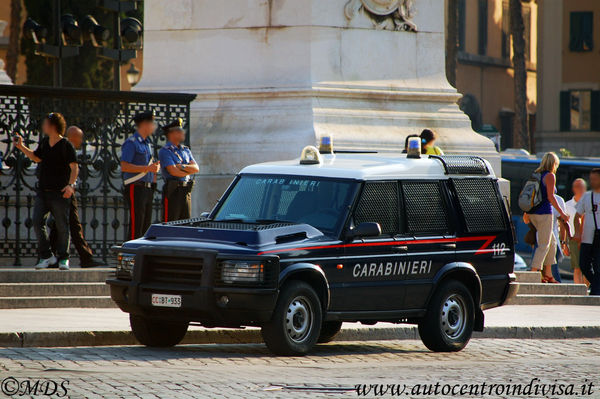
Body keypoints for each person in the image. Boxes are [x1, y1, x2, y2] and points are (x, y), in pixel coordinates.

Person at [14, 113, 78, 270]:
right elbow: (36, 158)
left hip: (59, 193)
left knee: (62, 226)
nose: (43, 126)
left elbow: (74, 167)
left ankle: (63, 258)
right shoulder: (44, 143)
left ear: (54, 125)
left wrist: (71, 185)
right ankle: (47, 256)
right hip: (43, 192)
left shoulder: (65, 145)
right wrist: (21, 147)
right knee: (37, 222)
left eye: (46, 123)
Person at [48, 126, 103, 268]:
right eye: (79, 137)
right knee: (73, 225)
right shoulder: (64, 149)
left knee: (58, 225)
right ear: (73, 137)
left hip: (63, 192)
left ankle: (51, 256)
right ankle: (85, 257)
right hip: (65, 192)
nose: (81, 140)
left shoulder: (63, 149)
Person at [528, 152, 569, 283]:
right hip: (544, 213)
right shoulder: (550, 176)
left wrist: (526, 212)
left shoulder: (536, 174)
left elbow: (531, 196)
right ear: (554, 163)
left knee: (552, 244)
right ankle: (534, 273)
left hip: (533, 213)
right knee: (544, 245)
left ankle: (549, 275)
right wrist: (562, 213)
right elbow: (551, 197)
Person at [120, 111, 160, 240]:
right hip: (136, 187)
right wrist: (147, 168)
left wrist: (153, 172)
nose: (154, 126)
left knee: (145, 225)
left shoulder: (147, 143)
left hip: (147, 188)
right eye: (151, 123)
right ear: (144, 124)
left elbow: (150, 167)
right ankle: (130, 255)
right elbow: (124, 166)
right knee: (136, 225)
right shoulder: (132, 143)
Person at [158, 118, 199, 222]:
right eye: (179, 131)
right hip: (173, 191)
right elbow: (173, 171)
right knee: (171, 223)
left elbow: (196, 168)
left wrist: (182, 167)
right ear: (171, 134)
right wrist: (187, 170)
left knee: (185, 223)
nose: (182, 133)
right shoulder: (165, 151)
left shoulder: (185, 150)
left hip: (186, 190)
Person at [574, 168, 600, 295]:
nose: (592, 181)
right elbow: (577, 216)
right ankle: (596, 287)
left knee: (598, 267)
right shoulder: (587, 196)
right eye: (591, 179)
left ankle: (595, 292)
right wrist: (578, 233)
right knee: (583, 265)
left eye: (595, 179)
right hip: (587, 238)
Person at [566, 178, 589, 285]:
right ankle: (579, 291)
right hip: (574, 240)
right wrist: (564, 243)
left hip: (590, 239)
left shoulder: (591, 202)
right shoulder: (567, 205)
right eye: (577, 187)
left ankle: (586, 289)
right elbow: (563, 226)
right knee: (577, 268)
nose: (579, 189)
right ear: (573, 189)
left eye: (581, 187)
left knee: (589, 267)